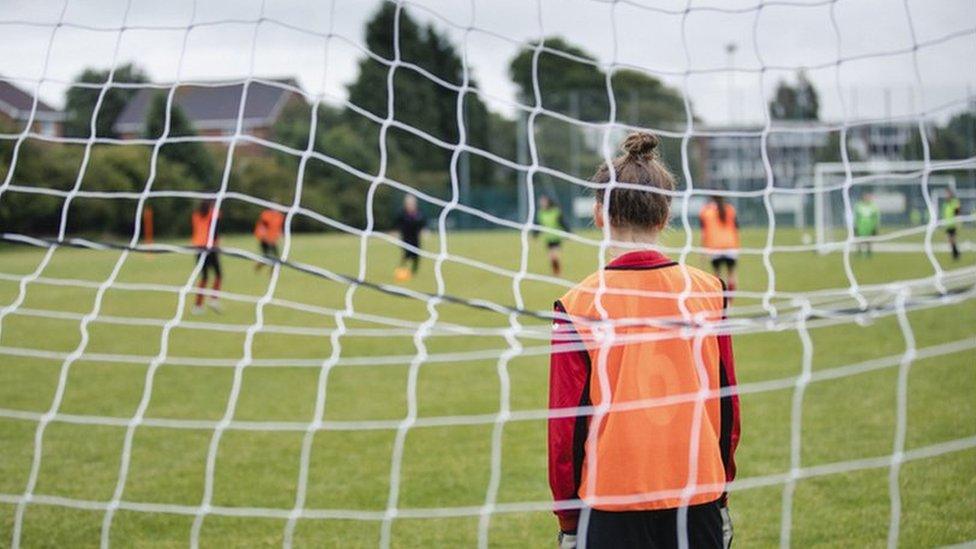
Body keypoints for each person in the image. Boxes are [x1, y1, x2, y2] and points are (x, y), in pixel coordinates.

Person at [549, 132, 740, 549]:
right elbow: (727, 402)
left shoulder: (579, 303)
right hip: (699, 491)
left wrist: (568, 519)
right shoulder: (708, 289)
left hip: (611, 501)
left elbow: (566, 427)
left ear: (599, 213)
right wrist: (721, 490)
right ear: (665, 212)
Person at [699, 194, 741, 293]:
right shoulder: (730, 209)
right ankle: (729, 303)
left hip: (715, 248)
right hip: (730, 247)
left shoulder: (705, 212)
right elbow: (736, 229)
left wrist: (703, 250)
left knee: (717, 277)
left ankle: (720, 301)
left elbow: (704, 233)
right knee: (731, 275)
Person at [190, 199, 222, 314]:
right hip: (210, 247)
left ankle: (198, 306)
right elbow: (214, 231)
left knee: (204, 277)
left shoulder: (196, 215)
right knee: (218, 274)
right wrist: (217, 244)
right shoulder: (214, 214)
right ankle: (214, 299)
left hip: (198, 247)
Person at [535, 194, 571, 276]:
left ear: (548, 202)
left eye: (544, 202)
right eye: (541, 202)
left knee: (555, 256)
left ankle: (558, 271)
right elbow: (539, 225)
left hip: (556, 238)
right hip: (548, 239)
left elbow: (563, 223)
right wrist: (535, 235)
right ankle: (556, 272)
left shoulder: (556, 212)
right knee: (551, 258)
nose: (542, 204)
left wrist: (568, 234)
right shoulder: (541, 213)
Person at [393, 194, 427, 280]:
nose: (410, 205)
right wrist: (396, 232)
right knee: (407, 254)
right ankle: (402, 269)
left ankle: (413, 271)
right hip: (406, 237)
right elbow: (397, 223)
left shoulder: (419, 213)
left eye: (412, 203)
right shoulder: (401, 213)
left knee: (416, 254)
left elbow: (422, 223)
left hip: (415, 237)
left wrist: (424, 230)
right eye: (408, 203)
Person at [254, 207, 285, 272]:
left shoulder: (279, 216)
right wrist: (264, 236)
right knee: (269, 257)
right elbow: (263, 226)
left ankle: (272, 271)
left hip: (272, 239)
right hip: (265, 239)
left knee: (275, 257)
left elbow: (278, 227)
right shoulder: (266, 215)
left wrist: (280, 233)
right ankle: (260, 265)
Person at [853, 192, 881, 257]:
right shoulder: (859, 205)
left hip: (870, 225)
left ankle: (869, 251)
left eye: (868, 197)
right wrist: (855, 225)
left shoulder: (873, 206)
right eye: (866, 197)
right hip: (861, 225)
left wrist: (876, 225)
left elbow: (876, 216)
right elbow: (856, 216)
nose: (867, 198)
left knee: (869, 238)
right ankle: (859, 251)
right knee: (859, 238)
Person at [943, 189, 961, 261]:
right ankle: (956, 253)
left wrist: (958, 221)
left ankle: (955, 254)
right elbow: (946, 213)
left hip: (953, 224)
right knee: (950, 240)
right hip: (948, 224)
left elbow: (957, 211)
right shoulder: (946, 204)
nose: (946, 196)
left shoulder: (954, 202)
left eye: (948, 194)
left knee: (952, 240)